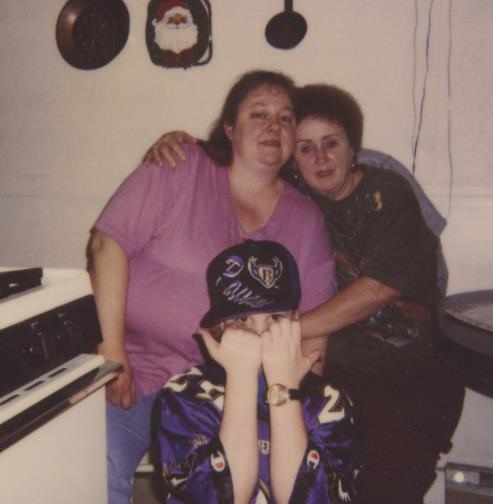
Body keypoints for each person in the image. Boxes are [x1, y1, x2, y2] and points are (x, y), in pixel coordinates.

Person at [145, 84, 465, 503]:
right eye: (306, 148)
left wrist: (276, 333)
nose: (321, 159)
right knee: (290, 445)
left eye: (331, 144)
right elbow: (243, 155)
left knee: (386, 475)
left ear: (354, 148)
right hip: (337, 365)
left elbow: (378, 287)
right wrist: (187, 146)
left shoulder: (387, 192)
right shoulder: (295, 194)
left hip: (407, 368)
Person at [88, 70, 335, 504]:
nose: (273, 126)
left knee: (229, 489)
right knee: (92, 467)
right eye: (259, 114)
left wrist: (298, 406)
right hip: (140, 373)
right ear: (229, 128)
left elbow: (313, 334)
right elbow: (107, 245)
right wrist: (112, 355)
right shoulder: (179, 166)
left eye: (285, 118)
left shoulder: (307, 219)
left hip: (244, 392)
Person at [158, 239, 355, 503]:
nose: (261, 334)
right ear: (219, 328)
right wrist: (242, 376)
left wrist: (284, 388)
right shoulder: (186, 394)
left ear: (295, 321)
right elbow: (226, 497)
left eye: (275, 318)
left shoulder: (327, 402)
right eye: (242, 320)